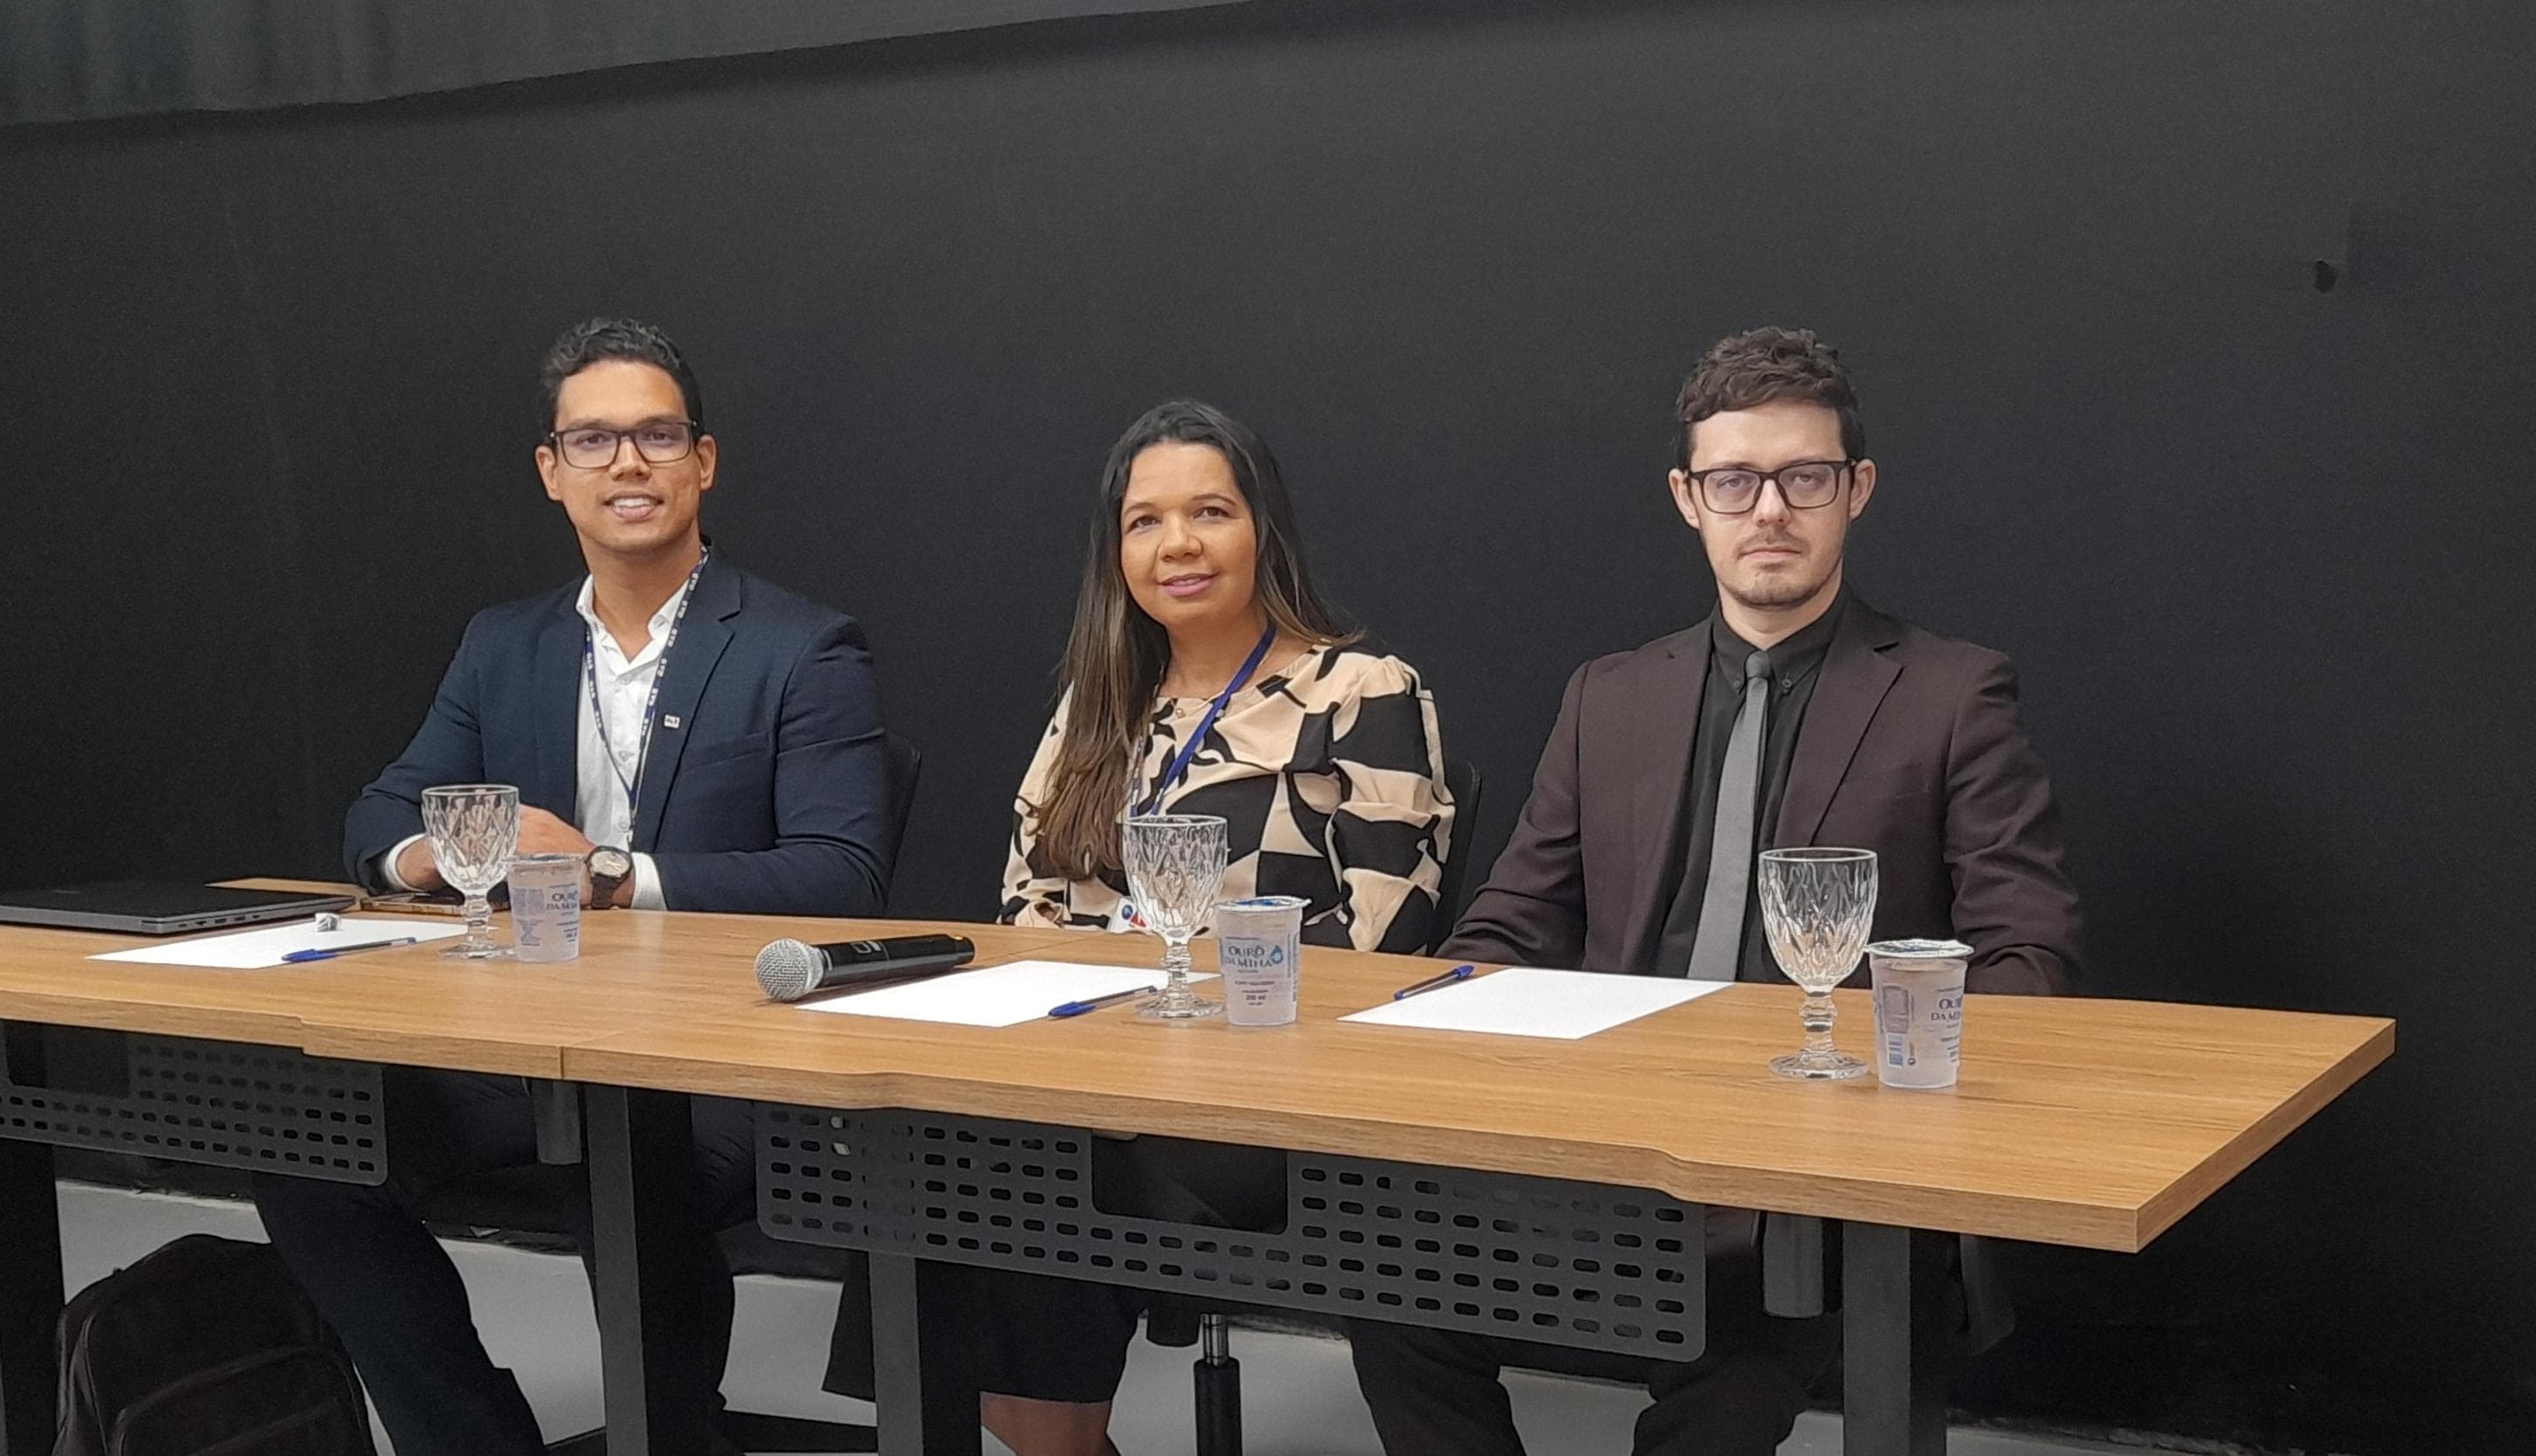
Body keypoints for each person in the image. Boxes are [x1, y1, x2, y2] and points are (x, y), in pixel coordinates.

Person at [1344, 327, 2082, 1456]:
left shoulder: (1949, 694)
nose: (1770, 509)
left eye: (1805, 477)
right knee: (1386, 1262)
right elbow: (1509, 920)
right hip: (1611, 1139)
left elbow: (2030, 956)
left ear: (1857, 490)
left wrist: (1884, 1072)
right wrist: (1464, 1018)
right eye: (1735, 480)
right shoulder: (1609, 696)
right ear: (1690, 498)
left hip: (1817, 1171)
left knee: (1727, 1377)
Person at [253, 317, 897, 1456]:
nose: (628, 462)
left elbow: (841, 873)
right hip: (531, 1051)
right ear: (552, 473)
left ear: (704, 460)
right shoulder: (504, 645)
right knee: (306, 1145)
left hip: (719, 1065)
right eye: (592, 440)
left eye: (656, 433)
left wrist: (607, 874)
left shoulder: (803, 646)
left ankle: (671, 1434)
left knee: (631, 1147)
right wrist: (449, 851)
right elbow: (377, 819)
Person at [829, 398, 1454, 1454]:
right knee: (925, 1144)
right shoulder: (1101, 700)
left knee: (1019, 1168)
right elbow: (1027, 906)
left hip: (1271, 1098)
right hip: (1093, 1072)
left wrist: (1184, 983)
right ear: (1115, 550)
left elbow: (1388, 943)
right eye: (1145, 521)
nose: (1179, 545)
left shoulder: (1359, 690)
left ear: (1265, 528)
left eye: (1210, 511)